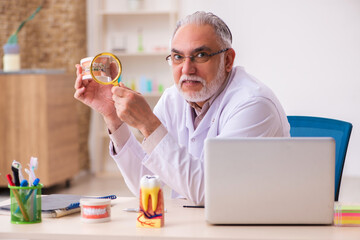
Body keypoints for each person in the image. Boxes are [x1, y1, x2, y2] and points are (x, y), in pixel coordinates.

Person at [74, 11, 290, 205]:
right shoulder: (173, 99)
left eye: (201, 55)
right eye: (178, 57)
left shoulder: (253, 103)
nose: (187, 68)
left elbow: (212, 192)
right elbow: (144, 182)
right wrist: (113, 117)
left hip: (252, 226)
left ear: (227, 60)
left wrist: (149, 125)